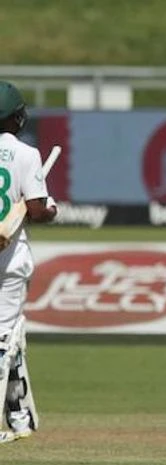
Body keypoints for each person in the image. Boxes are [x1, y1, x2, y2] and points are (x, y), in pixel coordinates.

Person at [0, 81, 57, 443]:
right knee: (5, 339)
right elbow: (37, 210)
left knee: (10, 336)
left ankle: (20, 417)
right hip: (10, 260)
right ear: (16, 118)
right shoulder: (26, 154)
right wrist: (53, 209)